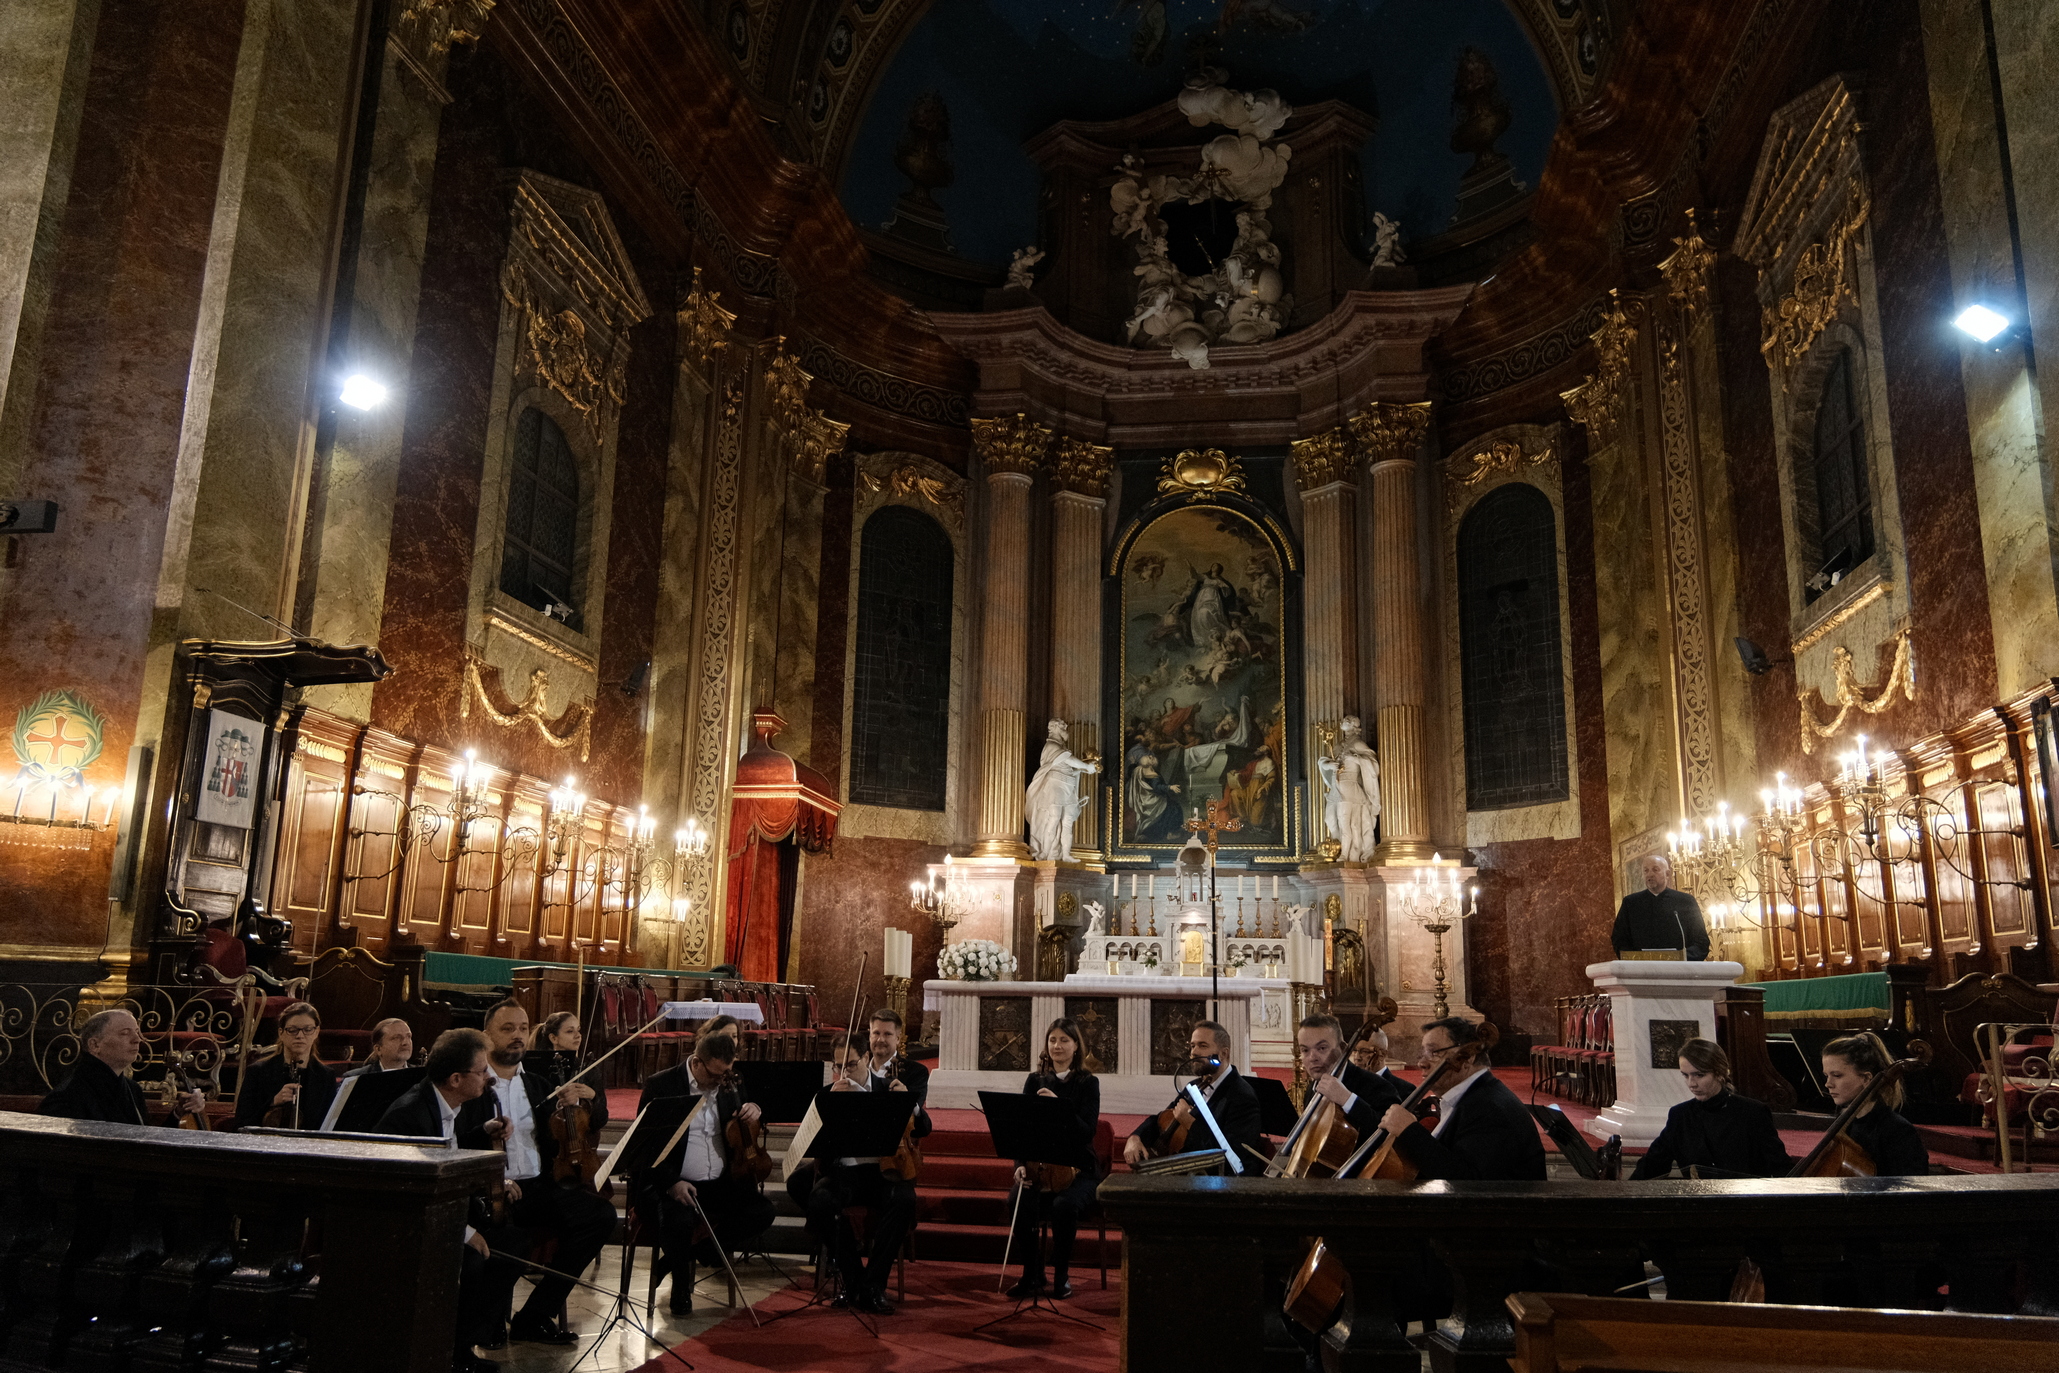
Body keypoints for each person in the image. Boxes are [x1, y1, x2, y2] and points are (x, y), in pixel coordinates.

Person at [377, 1029, 526, 1373]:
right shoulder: (412, 1115)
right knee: (474, 1260)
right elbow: (413, 1192)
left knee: (514, 1244)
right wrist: (466, 1231)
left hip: (441, 1214)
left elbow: (446, 1154)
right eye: (482, 1071)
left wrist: (482, 1132)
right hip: (406, 1224)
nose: (489, 1078)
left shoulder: (444, 1102)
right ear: (457, 1078)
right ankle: (449, 1354)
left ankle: (462, 1345)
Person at [472, 998, 617, 1347]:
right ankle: (486, 1321)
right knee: (510, 1236)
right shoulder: (474, 1086)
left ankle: (534, 1316)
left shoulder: (538, 1086)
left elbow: (583, 1127)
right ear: (487, 1036)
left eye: (523, 1029)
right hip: (491, 1192)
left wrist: (579, 1107)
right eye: (507, 1029)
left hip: (537, 1186)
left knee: (599, 1215)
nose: (518, 1036)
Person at [630, 1033, 776, 1317]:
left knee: (762, 1211)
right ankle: (681, 1289)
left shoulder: (730, 1081)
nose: (724, 1081)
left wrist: (755, 1109)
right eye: (717, 1074)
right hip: (673, 1185)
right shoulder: (662, 1085)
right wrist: (672, 1183)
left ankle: (674, 1262)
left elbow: (747, 1123)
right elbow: (644, 1148)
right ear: (697, 1063)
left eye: (728, 1073)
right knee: (678, 1220)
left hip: (720, 1184)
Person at [804, 1008, 931, 1315]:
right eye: (838, 1066)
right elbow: (808, 1144)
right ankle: (854, 1280)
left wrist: (909, 1105)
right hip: (844, 1175)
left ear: (865, 1059)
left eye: (850, 1064)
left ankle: (873, 1285)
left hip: (882, 1174)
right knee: (820, 1202)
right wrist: (826, 1110)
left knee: (904, 1201)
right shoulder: (828, 1094)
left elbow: (924, 1128)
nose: (844, 1072)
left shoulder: (889, 1089)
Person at [1377, 1017, 1545, 1180]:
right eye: (1423, 1053)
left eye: (1434, 1052)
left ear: (1468, 1058)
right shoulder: (1475, 1096)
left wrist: (1409, 1131)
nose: (1422, 1063)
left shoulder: (1488, 1108)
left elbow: (1466, 1182)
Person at [1007, 1018, 1102, 1299]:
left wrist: (1058, 1109)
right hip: (1039, 1166)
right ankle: (1032, 1273)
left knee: (1063, 1206)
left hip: (1080, 1169)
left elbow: (1087, 1131)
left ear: (1076, 1046)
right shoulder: (1034, 1080)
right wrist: (1020, 1165)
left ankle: (1061, 1274)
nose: (1057, 1046)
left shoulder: (1088, 1083)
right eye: (1052, 1040)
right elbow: (1021, 1132)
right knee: (1017, 1201)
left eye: (1064, 1040)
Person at [1630, 1039, 1790, 1179]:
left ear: (1720, 1073)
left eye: (1699, 1075)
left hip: (1746, 1206)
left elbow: (1780, 1167)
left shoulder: (1752, 1112)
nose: (1691, 1083)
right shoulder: (1680, 1115)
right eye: (1685, 1075)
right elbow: (1652, 1165)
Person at [1123, 1021, 1260, 1171]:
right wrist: (1135, 1137)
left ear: (1223, 1053)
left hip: (1219, 1184)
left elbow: (1232, 1159)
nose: (1194, 1052)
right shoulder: (1195, 1086)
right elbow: (1162, 1119)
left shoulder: (1241, 1096)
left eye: (1202, 1046)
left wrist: (1190, 1123)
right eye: (1192, 1046)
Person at [41, 1008, 205, 1124]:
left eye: (136, 1032)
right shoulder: (67, 1097)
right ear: (95, 1045)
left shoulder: (132, 1089)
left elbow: (143, 1149)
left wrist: (179, 1113)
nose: (137, 1039)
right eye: (125, 1033)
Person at [1820, 1032, 1928, 1176]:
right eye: (1827, 1076)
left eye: (1837, 1076)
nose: (1828, 1084)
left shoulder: (1897, 1130)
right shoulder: (1846, 1124)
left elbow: (1911, 1189)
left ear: (1866, 1078)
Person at [1295, 1014, 1404, 1141]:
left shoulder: (1377, 1085)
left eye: (1322, 1048)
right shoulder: (1312, 1089)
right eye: (1305, 1050)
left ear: (1342, 1048)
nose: (1312, 1058)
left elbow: (1392, 1137)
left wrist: (1347, 1099)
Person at [233, 1001, 337, 1131]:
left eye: (308, 1030)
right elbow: (241, 1124)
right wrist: (273, 1102)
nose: (300, 1035)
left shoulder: (326, 1076)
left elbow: (328, 1125)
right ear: (281, 1033)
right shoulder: (258, 1072)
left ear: (316, 1032)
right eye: (292, 1030)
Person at [1610, 855, 1710, 961]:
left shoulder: (1686, 901)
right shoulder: (1630, 903)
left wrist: (1681, 957)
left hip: (1680, 971)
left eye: (1655, 870)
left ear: (1667, 874)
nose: (1650, 874)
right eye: (1646, 871)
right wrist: (1634, 959)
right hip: (1641, 971)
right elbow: (1619, 939)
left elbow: (1701, 941)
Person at [344, 1017, 416, 1075]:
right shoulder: (355, 1078)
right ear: (378, 1049)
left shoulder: (422, 1076)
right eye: (396, 1038)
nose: (405, 1042)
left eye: (408, 1036)